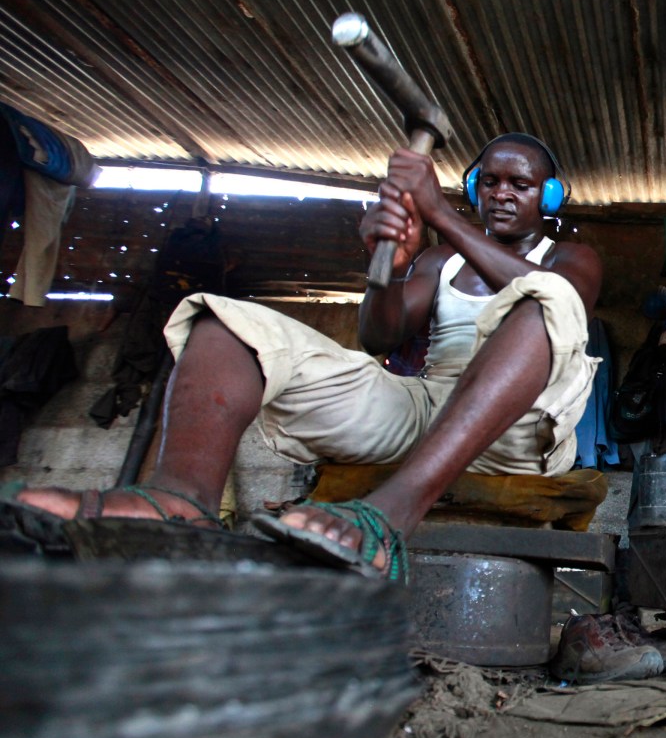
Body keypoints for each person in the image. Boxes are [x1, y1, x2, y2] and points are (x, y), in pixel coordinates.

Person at [7, 133, 604, 585]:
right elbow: (378, 336)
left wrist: (440, 213)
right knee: (223, 322)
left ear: (548, 196)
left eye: (520, 184)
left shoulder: (570, 259)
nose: (502, 194)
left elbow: (558, 301)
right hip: (426, 407)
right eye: (490, 182)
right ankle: (179, 501)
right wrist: (388, 269)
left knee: (546, 299)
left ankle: (390, 515)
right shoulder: (440, 261)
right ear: (476, 188)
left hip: (519, 428)